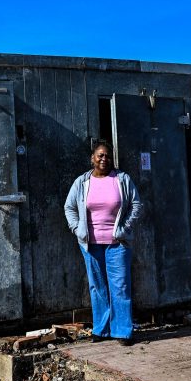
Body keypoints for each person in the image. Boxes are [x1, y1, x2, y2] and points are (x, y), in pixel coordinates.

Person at [64, 140, 143, 346]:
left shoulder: (122, 179)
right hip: (91, 244)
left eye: (107, 155)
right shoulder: (82, 182)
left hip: (118, 243)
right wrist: (77, 229)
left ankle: (123, 331)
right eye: (100, 155)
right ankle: (102, 329)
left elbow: (136, 205)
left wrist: (124, 229)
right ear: (92, 158)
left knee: (120, 286)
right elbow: (69, 207)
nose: (104, 159)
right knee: (97, 286)